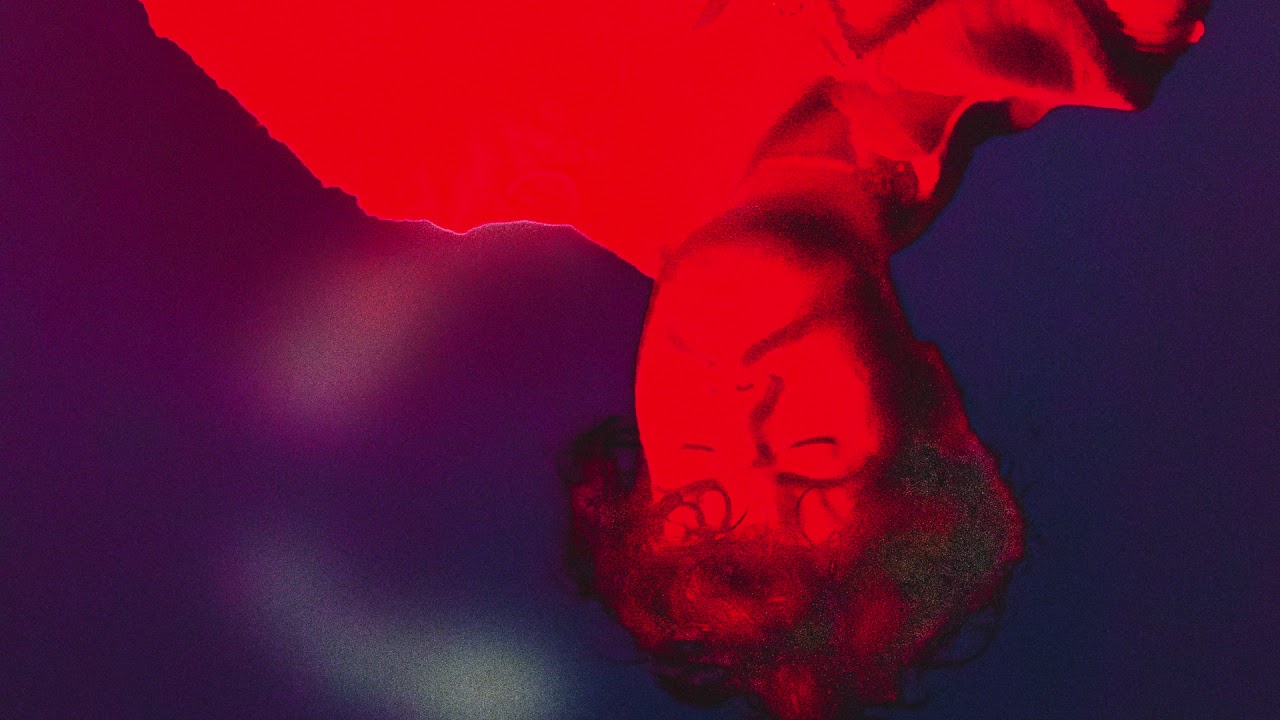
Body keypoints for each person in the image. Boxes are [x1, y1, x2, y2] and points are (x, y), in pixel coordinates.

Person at [138, 1, 1209, 717]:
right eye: (809, 455)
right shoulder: (1086, 27)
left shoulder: (424, 134)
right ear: (941, 418)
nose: (738, 409)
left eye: (699, 472)